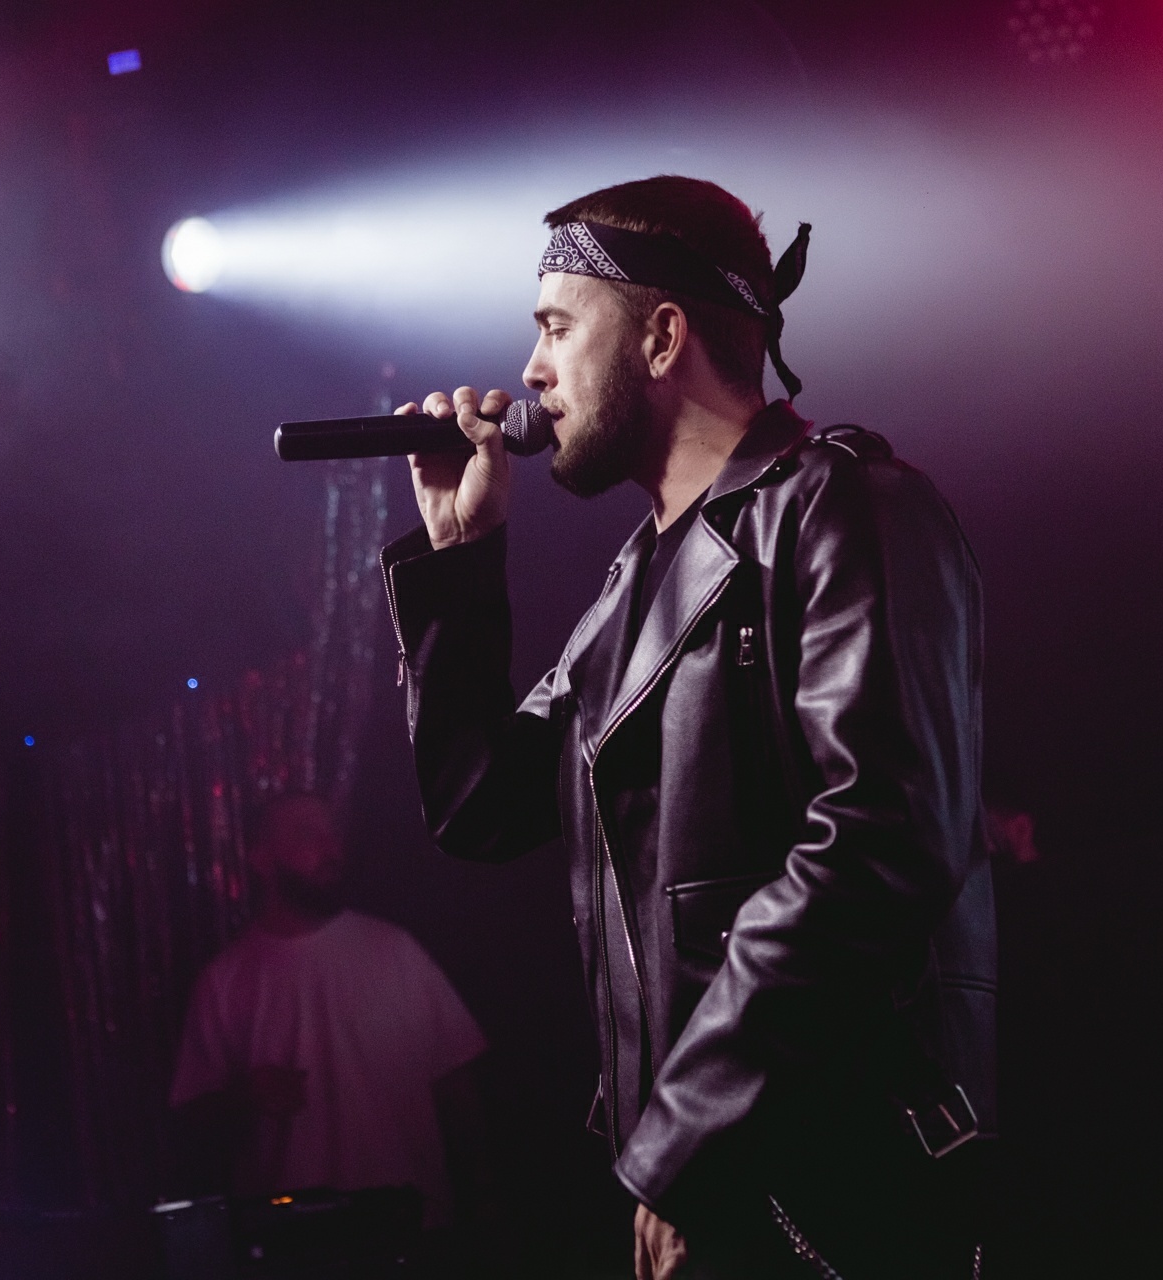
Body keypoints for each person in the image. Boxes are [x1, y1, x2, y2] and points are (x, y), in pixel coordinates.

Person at [382, 177, 997, 1278]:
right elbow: (481, 804)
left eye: (557, 327)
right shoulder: (635, 580)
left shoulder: (848, 507)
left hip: (835, 1187)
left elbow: (880, 841)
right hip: (708, 1185)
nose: (530, 371)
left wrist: (689, 1138)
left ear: (662, 337)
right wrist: (458, 559)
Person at [166, 792, 490, 1232]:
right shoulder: (224, 980)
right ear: (262, 859)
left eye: (332, 833)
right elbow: (191, 1118)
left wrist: (485, 1208)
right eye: (307, 834)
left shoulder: (395, 950)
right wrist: (244, 1097)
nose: (332, 848)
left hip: (411, 1233)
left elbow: (457, 1089)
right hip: (291, 1243)